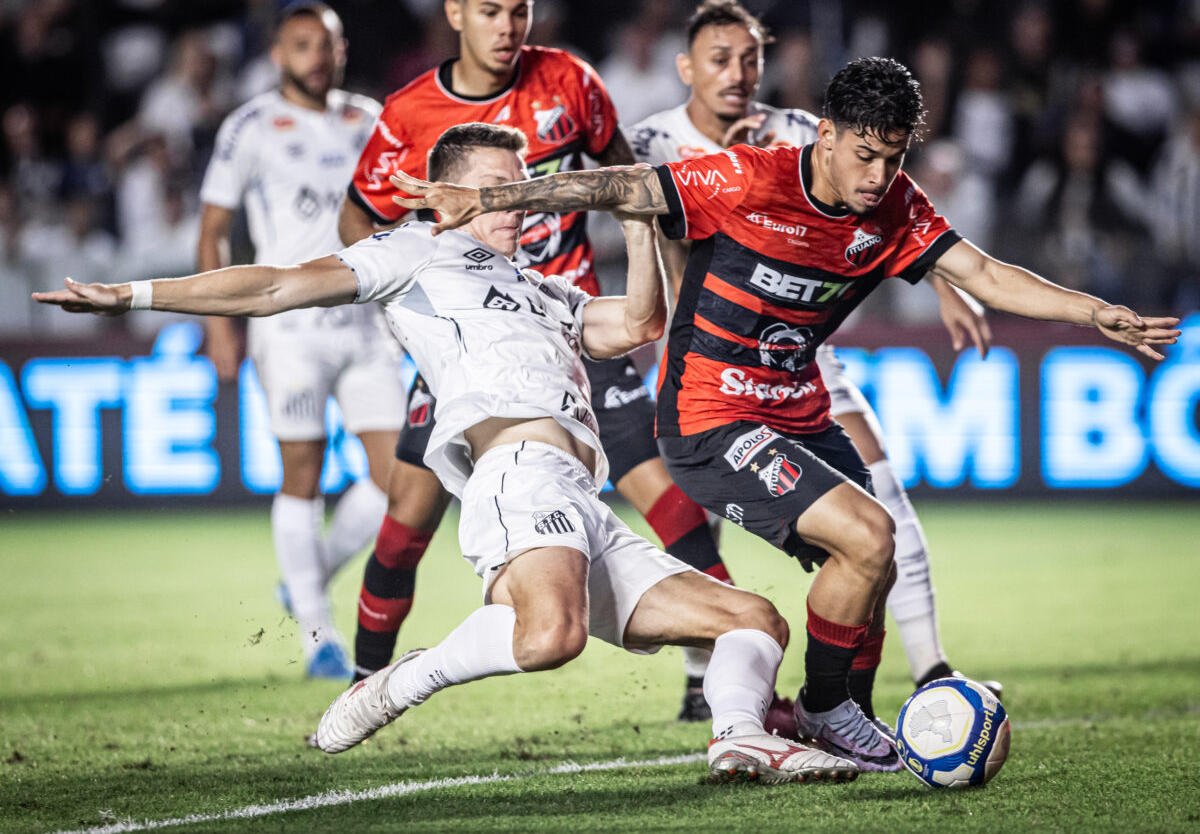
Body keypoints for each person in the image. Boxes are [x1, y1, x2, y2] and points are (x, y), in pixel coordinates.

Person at [389, 57, 1180, 771]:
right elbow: (620, 186)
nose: (878, 175)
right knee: (870, 536)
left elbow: (985, 273)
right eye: (865, 155)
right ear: (826, 135)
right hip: (708, 419)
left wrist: (1095, 313)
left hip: (796, 411)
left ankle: (843, 711)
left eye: (893, 158)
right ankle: (827, 708)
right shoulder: (746, 178)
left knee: (876, 553)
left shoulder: (895, 207)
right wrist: (496, 197)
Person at [34, 123, 859, 786]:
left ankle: (742, 739)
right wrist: (135, 297)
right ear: (443, 195)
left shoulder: (543, 284)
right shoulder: (411, 252)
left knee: (753, 619)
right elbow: (276, 284)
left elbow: (638, 325)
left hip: (580, 497)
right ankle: (401, 679)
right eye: (497, 187)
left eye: (520, 185)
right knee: (548, 638)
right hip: (514, 476)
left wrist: (640, 225)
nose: (517, 201)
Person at [337, 0, 734, 721]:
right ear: (455, 15)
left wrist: (676, 299)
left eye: (519, 11)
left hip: (569, 320)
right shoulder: (411, 113)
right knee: (407, 518)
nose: (508, 27)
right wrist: (406, 297)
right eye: (490, 11)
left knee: (662, 494)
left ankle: (702, 672)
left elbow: (636, 190)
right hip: (471, 339)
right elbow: (358, 217)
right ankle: (366, 678)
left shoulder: (570, 83)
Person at [629, 0, 998, 706]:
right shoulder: (651, 143)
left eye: (750, 58)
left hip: (806, 355)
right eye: (720, 58)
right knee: (709, 506)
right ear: (687, 68)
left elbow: (896, 218)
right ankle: (709, 673)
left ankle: (928, 671)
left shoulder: (803, 131)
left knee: (880, 512)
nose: (738, 72)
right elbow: (641, 220)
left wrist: (951, 283)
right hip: (711, 351)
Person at [195, 1, 406, 678]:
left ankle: (305, 577)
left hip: (367, 319)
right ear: (278, 55)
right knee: (302, 472)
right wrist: (217, 323)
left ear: (342, 51)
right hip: (288, 327)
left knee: (400, 480)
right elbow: (212, 230)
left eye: (328, 44)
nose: (318, 55)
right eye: (303, 44)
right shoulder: (250, 126)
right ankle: (319, 637)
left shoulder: (370, 119)